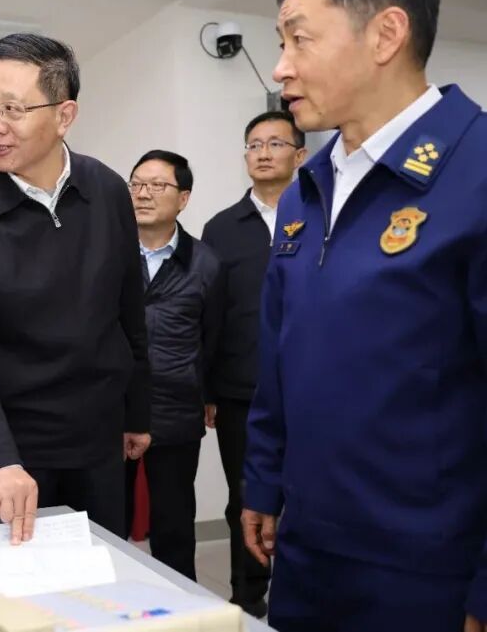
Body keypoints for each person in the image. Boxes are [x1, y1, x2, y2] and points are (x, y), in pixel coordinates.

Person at [243, 0, 487, 630]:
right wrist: (263, 479)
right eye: (280, 43)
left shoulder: (476, 173)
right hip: (308, 551)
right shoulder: (306, 188)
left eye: (300, 39)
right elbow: (281, 354)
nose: (281, 67)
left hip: (427, 571)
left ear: (386, 34)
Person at [0, 33, 152, 543]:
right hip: (16, 442)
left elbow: (129, 311)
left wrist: (137, 412)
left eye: (12, 109)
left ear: (64, 115)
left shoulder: (108, 189)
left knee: (102, 569)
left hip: (99, 432)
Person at [200, 110, 305, 616]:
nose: (263, 153)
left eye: (275, 143)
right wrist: (208, 390)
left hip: (310, 385)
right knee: (244, 496)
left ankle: (304, 592)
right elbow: (209, 313)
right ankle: (247, 595)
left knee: (309, 493)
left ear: (299, 154)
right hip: (241, 387)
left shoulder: (323, 214)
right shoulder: (221, 228)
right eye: (254, 145)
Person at [124, 150, 223, 582]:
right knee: (106, 522)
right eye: (136, 183)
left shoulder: (206, 263)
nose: (143, 193)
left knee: (174, 526)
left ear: (183, 198)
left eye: (157, 185)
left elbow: (212, 338)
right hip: (112, 409)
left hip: (176, 408)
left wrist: (205, 394)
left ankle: (181, 608)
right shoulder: (107, 251)